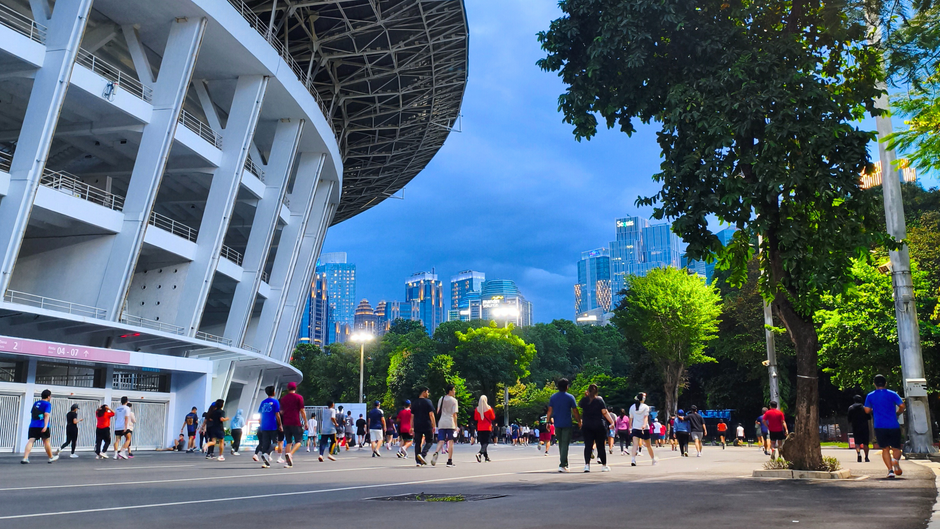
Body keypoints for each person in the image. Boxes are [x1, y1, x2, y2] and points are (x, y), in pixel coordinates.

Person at [864, 374, 906, 479]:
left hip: (879, 425)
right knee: (896, 448)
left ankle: (890, 470)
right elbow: (902, 405)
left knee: (885, 449)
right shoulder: (892, 394)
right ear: (885, 383)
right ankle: (895, 460)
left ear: (874, 384)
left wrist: (874, 409)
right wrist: (898, 413)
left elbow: (867, 410)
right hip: (893, 425)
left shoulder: (870, 395)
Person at [546, 378, 580, 473]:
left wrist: (548, 422)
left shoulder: (553, 397)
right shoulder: (570, 397)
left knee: (561, 444)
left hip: (557, 423)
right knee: (565, 444)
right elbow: (575, 411)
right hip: (567, 423)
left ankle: (565, 463)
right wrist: (579, 421)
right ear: (566, 387)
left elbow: (549, 411)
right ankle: (562, 465)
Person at [579, 384, 614, 472]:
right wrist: (611, 422)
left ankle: (587, 465)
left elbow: (580, 407)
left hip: (587, 425)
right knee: (600, 446)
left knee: (588, 446)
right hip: (599, 425)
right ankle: (604, 465)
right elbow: (605, 412)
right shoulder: (599, 400)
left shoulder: (584, 400)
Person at [22, 389, 58, 464]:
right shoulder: (47, 404)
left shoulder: (36, 403)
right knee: (46, 441)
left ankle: (25, 458)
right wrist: (45, 426)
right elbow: (46, 414)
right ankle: (51, 457)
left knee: (31, 440)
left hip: (33, 425)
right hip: (42, 425)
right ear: (48, 396)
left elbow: (33, 413)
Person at [279, 382, 307, 468]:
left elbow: (281, 412)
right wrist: (306, 422)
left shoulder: (283, 399)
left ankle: (287, 461)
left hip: (286, 422)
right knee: (298, 441)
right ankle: (290, 454)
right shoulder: (299, 397)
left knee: (289, 442)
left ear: (287, 389)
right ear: (295, 388)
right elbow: (302, 410)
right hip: (295, 421)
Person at [431, 384, 459, 467]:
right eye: (453, 390)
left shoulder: (441, 399)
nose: (454, 392)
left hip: (442, 422)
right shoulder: (454, 401)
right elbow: (454, 414)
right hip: (450, 422)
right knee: (450, 441)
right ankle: (449, 461)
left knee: (441, 440)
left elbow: (438, 411)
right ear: (450, 391)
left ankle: (436, 452)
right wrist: (456, 426)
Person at [256, 386, 282, 468]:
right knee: (274, 442)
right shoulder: (275, 402)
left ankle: (265, 461)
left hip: (264, 425)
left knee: (265, 443)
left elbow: (260, 414)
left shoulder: (263, 402)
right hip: (273, 425)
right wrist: (280, 424)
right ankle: (266, 454)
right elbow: (277, 414)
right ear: (273, 392)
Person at [410, 387, 436, 466]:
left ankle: (418, 462)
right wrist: (434, 425)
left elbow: (412, 416)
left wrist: (412, 427)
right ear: (424, 392)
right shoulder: (428, 402)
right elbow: (431, 414)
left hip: (417, 424)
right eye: (427, 392)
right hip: (427, 424)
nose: (428, 394)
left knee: (418, 442)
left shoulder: (414, 402)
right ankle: (423, 454)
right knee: (430, 441)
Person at [629, 392, 656, 466]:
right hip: (644, 429)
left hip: (635, 427)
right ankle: (653, 459)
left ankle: (633, 459)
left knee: (635, 444)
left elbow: (630, 418)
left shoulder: (632, 407)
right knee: (648, 445)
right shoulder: (646, 407)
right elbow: (645, 417)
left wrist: (630, 427)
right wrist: (644, 425)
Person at [847, 395, 872, 463]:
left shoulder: (851, 408)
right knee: (866, 443)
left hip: (855, 427)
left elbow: (849, 419)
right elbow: (869, 417)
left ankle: (858, 454)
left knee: (857, 442)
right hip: (864, 426)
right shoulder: (864, 408)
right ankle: (866, 457)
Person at [474, 395, 496, 462]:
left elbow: (475, 418)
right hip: (487, 427)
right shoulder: (489, 409)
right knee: (486, 442)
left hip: (480, 428)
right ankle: (480, 453)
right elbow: (493, 417)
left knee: (482, 443)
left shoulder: (477, 409)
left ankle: (486, 457)